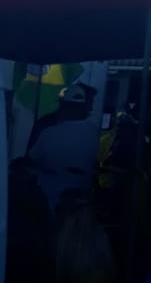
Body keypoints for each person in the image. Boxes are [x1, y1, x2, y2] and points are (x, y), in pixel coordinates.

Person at [29, 87, 101, 215]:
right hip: (81, 200)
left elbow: (31, 161)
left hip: (49, 200)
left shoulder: (49, 132)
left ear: (64, 107)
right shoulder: (95, 133)